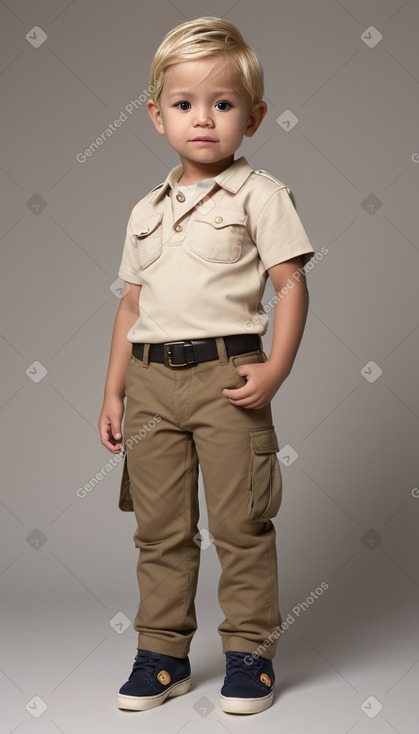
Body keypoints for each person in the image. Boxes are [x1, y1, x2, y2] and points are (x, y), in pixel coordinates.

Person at [98, 16, 315, 715]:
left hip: (229, 379)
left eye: (222, 105)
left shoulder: (261, 196)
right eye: (185, 104)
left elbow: (289, 286)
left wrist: (274, 370)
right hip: (152, 385)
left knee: (240, 522)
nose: (203, 120)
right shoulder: (145, 210)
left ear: (251, 118)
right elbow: (131, 309)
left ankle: (250, 652)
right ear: (156, 114)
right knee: (158, 527)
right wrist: (113, 395)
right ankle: (162, 653)